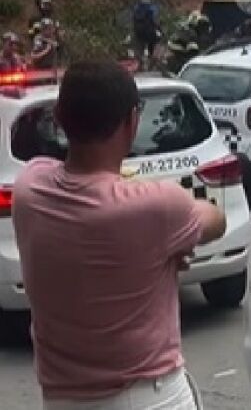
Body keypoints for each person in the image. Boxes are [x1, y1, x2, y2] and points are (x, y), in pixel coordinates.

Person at [13, 61, 226, 410]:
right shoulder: (157, 206)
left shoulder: (28, 189)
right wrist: (167, 243)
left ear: (59, 117)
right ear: (132, 122)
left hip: (61, 399)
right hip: (148, 398)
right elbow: (215, 220)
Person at [132, 0, 160, 71]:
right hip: (150, 32)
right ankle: (151, 67)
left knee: (139, 50)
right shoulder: (152, 7)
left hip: (138, 32)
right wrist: (158, 29)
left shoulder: (137, 6)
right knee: (152, 49)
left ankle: (139, 66)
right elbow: (155, 20)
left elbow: (134, 18)